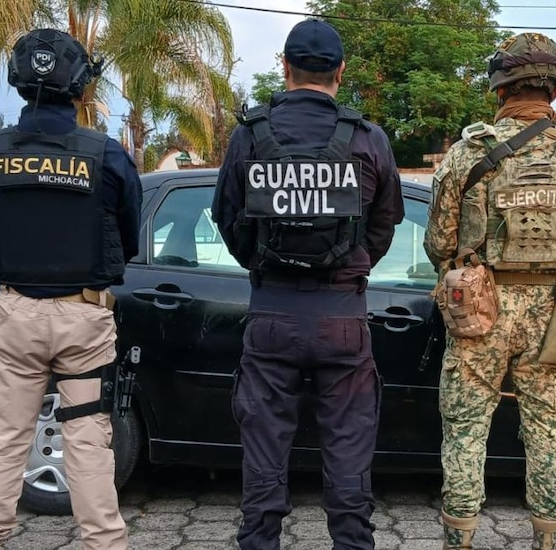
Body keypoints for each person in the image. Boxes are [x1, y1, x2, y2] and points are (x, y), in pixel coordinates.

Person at [211, 18, 405, 550]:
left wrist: (263, 264)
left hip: (270, 313)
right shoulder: (368, 138)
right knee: (348, 449)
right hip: (343, 317)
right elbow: (386, 222)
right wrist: (350, 268)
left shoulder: (250, 135)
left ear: (284, 67)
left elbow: (226, 217)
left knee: (264, 449)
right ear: (341, 72)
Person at [423, 32, 556, 550]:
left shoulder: (469, 153)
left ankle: (458, 541)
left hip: (478, 309)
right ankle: (547, 542)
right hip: (554, 311)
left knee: (465, 430)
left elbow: (439, 242)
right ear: (555, 89)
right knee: (549, 434)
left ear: (501, 86)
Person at [0, 28, 141, 550]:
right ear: (81, 86)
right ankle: (104, 543)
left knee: (4, 442)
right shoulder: (106, 154)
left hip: (15, 314)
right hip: (85, 317)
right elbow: (127, 239)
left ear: (18, 82)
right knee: (88, 442)